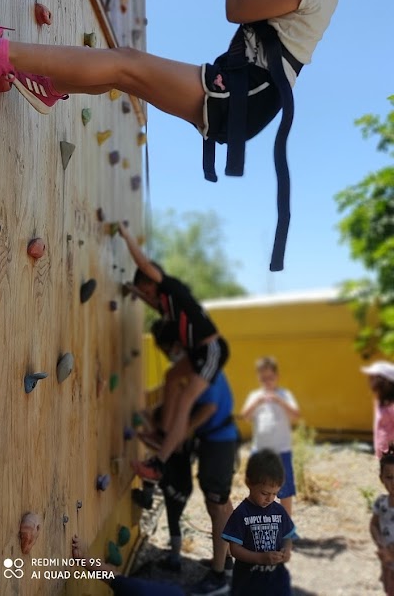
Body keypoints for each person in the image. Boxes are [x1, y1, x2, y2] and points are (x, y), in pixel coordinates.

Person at [0, 0, 338, 209]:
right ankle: (50, 86)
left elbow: (238, 8)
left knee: (127, 61)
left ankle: (0, 52)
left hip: (247, 93)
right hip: (247, 99)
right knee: (121, 76)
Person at [119, 224, 229, 484]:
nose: (148, 295)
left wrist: (127, 235)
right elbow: (154, 303)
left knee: (184, 403)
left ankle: (159, 464)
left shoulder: (168, 286)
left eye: (145, 289)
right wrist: (134, 292)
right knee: (170, 378)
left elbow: (145, 265)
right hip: (198, 352)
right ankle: (161, 432)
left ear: (153, 281)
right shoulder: (169, 302)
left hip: (211, 349)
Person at [133, 320, 236, 596]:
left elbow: (208, 407)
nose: (169, 357)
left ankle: (218, 577)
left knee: (217, 506)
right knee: (221, 504)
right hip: (217, 440)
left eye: (167, 350)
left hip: (218, 440)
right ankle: (224, 561)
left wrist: (180, 433)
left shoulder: (201, 367)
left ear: (176, 346)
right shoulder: (194, 366)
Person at [222, 449, 295, 596]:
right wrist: (260, 558)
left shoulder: (279, 511)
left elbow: (287, 537)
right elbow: (234, 549)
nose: (270, 499)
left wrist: (286, 550)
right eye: (265, 493)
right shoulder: (241, 514)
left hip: (277, 581)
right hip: (248, 583)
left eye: (275, 494)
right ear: (249, 482)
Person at [240, 357, 300, 519]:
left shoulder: (284, 394)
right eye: (263, 378)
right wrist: (257, 402)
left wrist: (279, 401)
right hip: (259, 451)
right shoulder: (255, 395)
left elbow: (296, 415)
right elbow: (245, 416)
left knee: (285, 488)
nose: (267, 381)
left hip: (282, 451)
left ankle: (287, 525)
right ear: (259, 378)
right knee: (258, 486)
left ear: (277, 376)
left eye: (270, 377)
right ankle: (259, 520)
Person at [71, 535, 185, 596]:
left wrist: (82, 559)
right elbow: (111, 576)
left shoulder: (138, 589)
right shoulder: (137, 590)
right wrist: (82, 559)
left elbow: (111, 576)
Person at [370, 443, 394, 596]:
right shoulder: (381, 503)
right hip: (387, 560)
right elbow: (374, 525)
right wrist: (380, 544)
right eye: (389, 477)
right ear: (381, 479)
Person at [361, 362, 394, 459]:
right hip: (383, 452)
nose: (369, 381)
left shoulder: (391, 405)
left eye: (372, 378)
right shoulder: (379, 401)